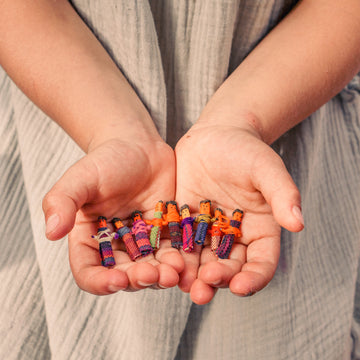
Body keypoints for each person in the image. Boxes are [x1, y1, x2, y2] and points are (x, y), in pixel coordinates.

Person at [0, 0, 359, 359]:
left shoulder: (201, 223)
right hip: (62, 100)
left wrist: (242, 121)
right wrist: (107, 129)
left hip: (288, 106)